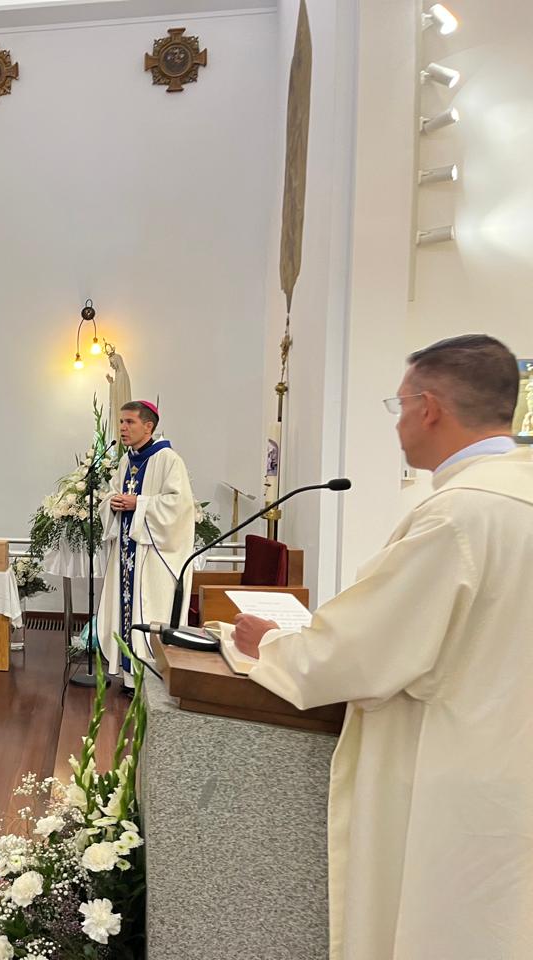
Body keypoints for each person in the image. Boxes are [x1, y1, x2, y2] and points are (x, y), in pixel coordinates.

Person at [232, 334, 533, 960]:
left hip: (448, 780)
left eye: (397, 406)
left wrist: (273, 645)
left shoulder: (460, 514)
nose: (396, 423)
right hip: (511, 770)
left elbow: (358, 657)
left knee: (438, 927)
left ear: (429, 407)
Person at [96, 400, 195, 692]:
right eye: (121, 422)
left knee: (150, 610)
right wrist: (111, 503)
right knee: (125, 611)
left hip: (153, 556)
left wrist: (138, 503)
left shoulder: (168, 460)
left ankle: (150, 678)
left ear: (148, 426)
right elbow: (115, 493)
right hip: (127, 554)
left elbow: (179, 507)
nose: (123, 428)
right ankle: (129, 678)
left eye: (130, 422)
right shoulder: (127, 460)